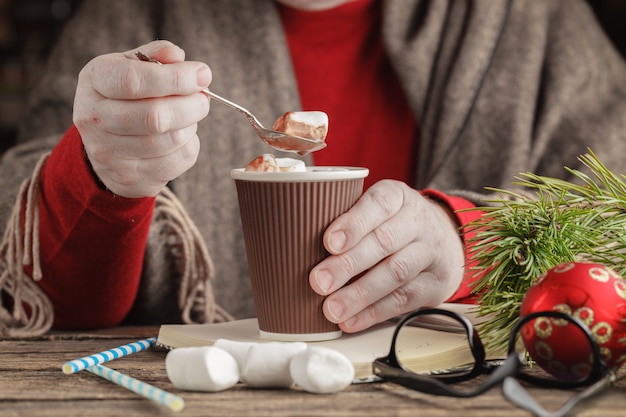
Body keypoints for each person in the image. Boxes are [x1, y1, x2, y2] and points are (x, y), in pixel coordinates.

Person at [1, 0, 626, 337]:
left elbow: (611, 216)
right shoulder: (129, 18)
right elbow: (31, 279)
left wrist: (470, 240)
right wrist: (100, 177)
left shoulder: (537, 21)